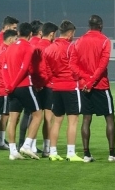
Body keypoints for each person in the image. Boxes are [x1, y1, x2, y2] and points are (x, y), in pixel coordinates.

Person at [70, 15, 115, 162]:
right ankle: (112, 154)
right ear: (101, 26)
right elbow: (103, 65)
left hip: (84, 86)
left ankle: (86, 154)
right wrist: (91, 81)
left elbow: (72, 65)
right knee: (109, 117)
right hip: (100, 85)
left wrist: (86, 80)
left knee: (86, 119)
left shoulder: (78, 41)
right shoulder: (105, 41)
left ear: (89, 25)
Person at [3, 22, 45, 161]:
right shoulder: (29, 47)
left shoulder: (9, 48)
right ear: (31, 34)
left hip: (11, 88)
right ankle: (27, 145)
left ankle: (13, 151)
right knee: (38, 115)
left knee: (13, 118)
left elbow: (4, 68)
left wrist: (9, 85)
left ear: (18, 33)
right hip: (24, 86)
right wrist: (14, 84)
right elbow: (25, 68)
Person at [43, 20, 83, 161]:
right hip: (70, 86)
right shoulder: (71, 47)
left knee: (57, 121)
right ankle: (70, 153)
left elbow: (47, 70)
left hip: (56, 87)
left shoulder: (49, 48)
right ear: (70, 33)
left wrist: (54, 80)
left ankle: (53, 152)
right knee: (73, 121)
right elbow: (75, 67)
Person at [0, 15, 18, 150]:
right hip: (2, 81)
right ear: (7, 27)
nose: (16, 30)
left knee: (4, 111)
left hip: (1, 80)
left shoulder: (1, 41)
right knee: (3, 112)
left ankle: (0, 140)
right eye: (14, 28)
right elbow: (3, 64)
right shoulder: (0, 42)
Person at [18, 19, 44, 146]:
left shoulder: (26, 43)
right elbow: (38, 67)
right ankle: (30, 145)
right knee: (37, 114)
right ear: (40, 32)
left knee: (27, 114)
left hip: (25, 83)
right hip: (36, 84)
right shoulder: (38, 44)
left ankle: (21, 143)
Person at [34, 22, 58, 156]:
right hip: (49, 85)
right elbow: (50, 68)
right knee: (49, 118)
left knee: (35, 117)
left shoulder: (35, 46)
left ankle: (30, 145)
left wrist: (37, 84)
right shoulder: (51, 47)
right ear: (52, 34)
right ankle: (46, 148)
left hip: (36, 86)